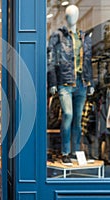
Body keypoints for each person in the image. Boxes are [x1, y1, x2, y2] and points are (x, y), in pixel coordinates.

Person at [47, 5, 94, 165]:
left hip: (81, 82)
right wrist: (53, 82)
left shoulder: (84, 37)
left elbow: (88, 61)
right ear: (65, 17)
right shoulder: (58, 36)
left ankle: (76, 151)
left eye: (74, 15)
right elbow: (51, 60)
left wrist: (91, 82)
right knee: (68, 115)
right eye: (68, 15)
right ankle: (65, 152)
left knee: (78, 119)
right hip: (64, 83)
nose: (71, 17)